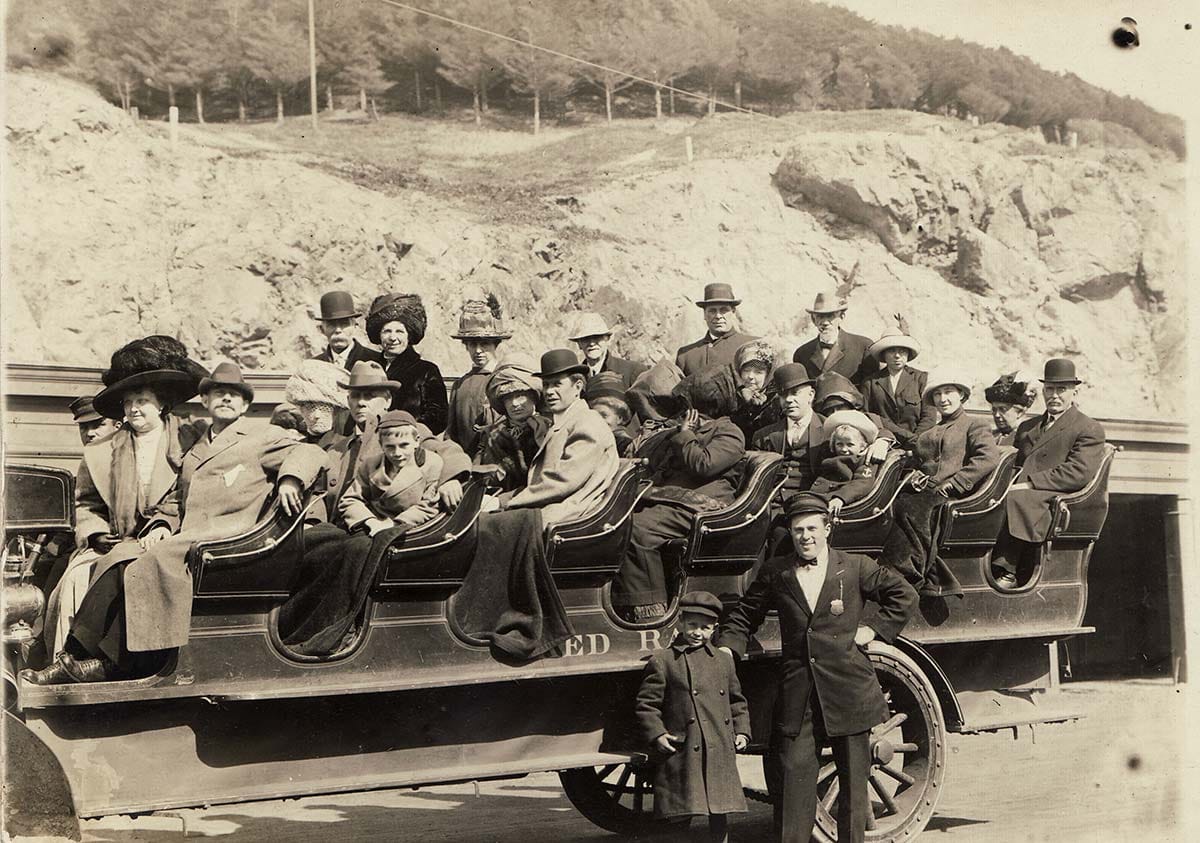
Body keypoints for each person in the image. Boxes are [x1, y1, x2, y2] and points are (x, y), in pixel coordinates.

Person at [23, 363, 327, 685]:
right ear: (205, 402)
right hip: (187, 533)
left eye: (234, 395)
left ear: (246, 405)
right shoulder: (194, 448)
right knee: (117, 559)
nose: (226, 399)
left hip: (230, 535)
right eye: (218, 393)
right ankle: (73, 655)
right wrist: (159, 524)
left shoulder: (263, 436)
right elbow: (177, 501)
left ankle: (117, 663)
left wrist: (290, 480)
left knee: (149, 564)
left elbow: (309, 452)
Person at [716, 492, 917, 843]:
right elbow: (746, 614)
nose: (805, 536)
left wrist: (876, 629)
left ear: (827, 529)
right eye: (797, 530)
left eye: (811, 528)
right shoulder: (776, 572)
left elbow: (904, 595)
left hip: (849, 691)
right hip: (798, 695)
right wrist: (727, 650)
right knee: (792, 784)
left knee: (855, 788)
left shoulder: (855, 566)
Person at [42, 343, 205, 659]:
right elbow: (87, 503)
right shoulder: (102, 451)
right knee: (75, 579)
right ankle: (67, 660)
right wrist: (95, 533)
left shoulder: (188, 439)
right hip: (116, 541)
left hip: (171, 540)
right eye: (128, 402)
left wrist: (163, 525)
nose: (134, 409)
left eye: (142, 400)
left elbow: (188, 496)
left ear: (160, 404)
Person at [613, 362, 745, 622]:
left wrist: (685, 435)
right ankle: (626, 600)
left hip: (705, 506)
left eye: (689, 404)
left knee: (639, 529)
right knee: (618, 520)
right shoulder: (687, 430)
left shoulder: (729, 432)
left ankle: (650, 609)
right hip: (675, 501)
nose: (685, 411)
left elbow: (703, 465)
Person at [635, 590, 750, 843]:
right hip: (683, 748)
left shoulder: (723, 660)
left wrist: (742, 731)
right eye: (693, 625)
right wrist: (657, 734)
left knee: (719, 812)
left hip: (717, 747)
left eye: (705, 628)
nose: (698, 632)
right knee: (680, 813)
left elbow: (736, 700)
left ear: (714, 629)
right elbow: (647, 704)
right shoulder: (663, 661)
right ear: (681, 623)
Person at [879, 371, 1001, 597]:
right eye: (937, 394)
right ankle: (919, 573)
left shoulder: (974, 425)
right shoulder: (930, 432)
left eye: (948, 392)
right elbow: (920, 461)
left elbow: (988, 458)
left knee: (911, 506)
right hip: (927, 490)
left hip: (955, 493)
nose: (943, 399)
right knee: (892, 502)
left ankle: (904, 575)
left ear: (962, 395)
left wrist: (956, 482)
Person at [992, 359, 1107, 589]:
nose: (1054, 395)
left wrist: (1031, 484)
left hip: (1053, 496)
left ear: (1074, 392)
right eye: (1050, 389)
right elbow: (1015, 464)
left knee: (1017, 498)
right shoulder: (1028, 427)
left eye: (1061, 389)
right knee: (989, 498)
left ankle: (1006, 569)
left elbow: (1078, 472)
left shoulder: (1088, 427)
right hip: (1021, 488)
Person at [492, 349, 619, 526]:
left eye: (557, 384)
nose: (549, 392)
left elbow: (562, 482)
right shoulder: (564, 422)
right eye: (546, 385)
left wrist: (503, 502)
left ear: (578, 386)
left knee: (490, 528)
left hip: (572, 513)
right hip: (555, 506)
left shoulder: (588, 423)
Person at [338, 411, 443, 535]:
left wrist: (392, 524)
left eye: (404, 445)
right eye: (390, 447)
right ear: (381, 445)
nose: (397, 453)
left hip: (408, 529)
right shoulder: (370, 464)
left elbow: (429, 505)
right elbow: (350, 499)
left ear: (416, 441)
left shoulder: (431, 463)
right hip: (371, 526)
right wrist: (370, 521)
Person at [366, 292, 448, 434]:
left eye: (399, 331)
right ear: (379, 335)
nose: (393, 338)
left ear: (409, 335)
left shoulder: (426, 370)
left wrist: (408, 432)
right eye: (387, 331)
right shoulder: (370, 368)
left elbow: (438, 418)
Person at [474, 355, 550, 493]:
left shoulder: (547, 431)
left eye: (520, 396)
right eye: (508, 398)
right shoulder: (491, 434)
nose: (515, 404)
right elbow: (478, 476)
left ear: (534, 396)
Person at [446, 294, 512, 454]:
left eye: (485, 344)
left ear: (496, 344)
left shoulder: (506, 379)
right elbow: (451, 433)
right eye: (472, 344)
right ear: (466, 346)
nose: (478, 351)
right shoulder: (459, 386)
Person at [751, 364, 824, 502]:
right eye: (783, 394)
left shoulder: (828, 430)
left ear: (811, 395)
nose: (789, 400)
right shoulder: (762, 436)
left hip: (812, 504)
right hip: (771, 505)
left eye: (795, 393)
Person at [860, 326, 937, 447]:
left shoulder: (921, 379)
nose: (897, 356)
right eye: (891, 351)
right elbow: (867, 416)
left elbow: (929, 417)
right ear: (884, 354)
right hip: (883, 442)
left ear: (907, 354)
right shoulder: (870, 382)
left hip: (918, 443)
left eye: (902, 351)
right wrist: (886, 438)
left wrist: (916, 441)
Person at [791, 292, 877, 386]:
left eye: (830, 316)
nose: (825, 322)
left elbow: (871, 392)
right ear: (813, 320)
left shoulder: (863, 347)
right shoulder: (802, 354)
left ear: (841, 317)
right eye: (820, 316)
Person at [675, 283, 760, 377]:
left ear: (733, 312)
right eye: (712, 311)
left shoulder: (753, 345)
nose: (718, 316)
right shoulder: (686, 355)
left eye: (724, 310)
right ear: (704, 314)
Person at [811, 410, 883, 518]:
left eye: (850, 444)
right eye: (839, 444)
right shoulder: (829, 455)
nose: (844, 449)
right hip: (817, 495)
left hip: (840, 499)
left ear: (862, 446)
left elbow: (862, 483)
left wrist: (841, 497)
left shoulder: (864, 460)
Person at [812, 372, 895, 463]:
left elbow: (895, 432)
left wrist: (882, 442)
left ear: (851, 405)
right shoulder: (820, 423)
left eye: (840, 407)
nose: (835, 413)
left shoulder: (868, 418)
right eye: (829, 410)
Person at [568, 312, 647, 388]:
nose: (591, 343)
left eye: (596, 337)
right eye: (586, 339)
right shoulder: (576, 378)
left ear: (607, 339)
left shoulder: (632, 371)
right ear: (579, 344)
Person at [310, 290, 385, 371]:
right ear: (322, 329)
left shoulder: (376, 361)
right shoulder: (314, 366)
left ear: (355, 326)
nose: (338, 330)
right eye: (331, 324)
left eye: (344, 323)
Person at [283, 359, 349, 446]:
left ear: (336, 411)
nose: (316, 416)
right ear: (301, 410)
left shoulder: (344, 446)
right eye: (310, 408)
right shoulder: (294, 446)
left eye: (324, 408)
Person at [728, 339, 779, 444]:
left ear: (768, 375)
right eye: (746, 370)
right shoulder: (729, 393)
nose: (750, 377)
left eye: (758, 372)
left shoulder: (777, 400)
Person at [585, 371, 635, 456]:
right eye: (594, 415)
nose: (598, 421)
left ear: (620, 418)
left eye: (604, 415)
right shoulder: (591, 440)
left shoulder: (624, 445)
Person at [984, 370, 1039, 447]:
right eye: (994, 410)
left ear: (1020, 412)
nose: (996, 415)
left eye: (1002, 409)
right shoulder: (989, 437)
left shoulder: (1028, 439)